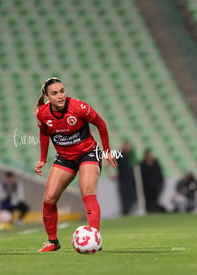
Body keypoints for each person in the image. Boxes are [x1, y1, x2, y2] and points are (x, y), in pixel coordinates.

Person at [34, 77, 117, 252]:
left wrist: (107, 150)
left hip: (88, 153)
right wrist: (43, 159)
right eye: (55, 93)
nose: (60, 96)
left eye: (62, 91)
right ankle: (53, 242)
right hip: (65, 157)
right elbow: (43, 134)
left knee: (87, 190)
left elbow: (100, 124)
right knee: (49, 198)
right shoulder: (42, 113)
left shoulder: (79, 107)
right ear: (47, 96)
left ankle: (94, 237)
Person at [140, 149, 166, 213]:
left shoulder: (155, 163)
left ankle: (155, 211)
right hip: (146, 186)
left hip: (155, 186)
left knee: (155, 200)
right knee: (148, 201)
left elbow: (160, 174)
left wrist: (161, 182)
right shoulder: (142, 164)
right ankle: (149, 212)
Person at [116, 140, 137, 215]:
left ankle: (127, 211)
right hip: (122, 180)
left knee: (132, 197)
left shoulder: (132, 156)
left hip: (131, 180)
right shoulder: (120, 155)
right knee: (124, 198)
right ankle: (125, 212)